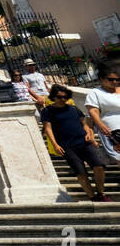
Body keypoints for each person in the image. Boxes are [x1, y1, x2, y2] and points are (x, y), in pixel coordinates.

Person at [42, 84, 109, 202]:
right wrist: (55, 145)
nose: (63, 99)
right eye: (59, 97)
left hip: (84, 142)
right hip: (67, 146)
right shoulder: (47, 111)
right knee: (81, 173)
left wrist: (89, 133)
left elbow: (84, 124)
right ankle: (92, 197)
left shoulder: (73, 108)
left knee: (99, 166)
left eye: (65, 97)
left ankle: (100, 193)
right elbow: (48, 128)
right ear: (53, 97)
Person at [84, 71, 120, 200]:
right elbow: (91, 112)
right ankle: (100, 193)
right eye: (111, 79)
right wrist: (98, 126)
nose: (114, 82)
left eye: (117, 79)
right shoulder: (95, 93)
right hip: (112, 130)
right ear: (101, 79)